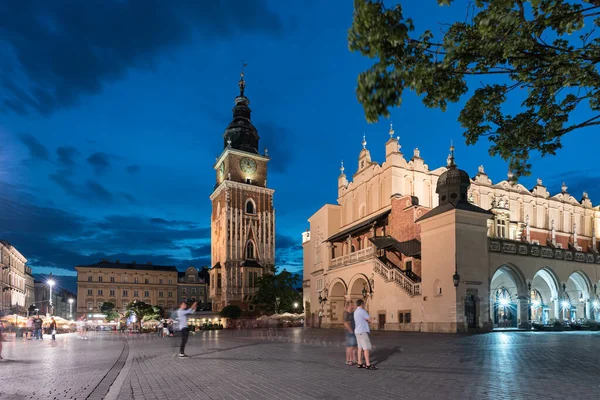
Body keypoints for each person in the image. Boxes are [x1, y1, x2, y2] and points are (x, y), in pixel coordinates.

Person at [354, 299, 377, 370]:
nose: (364, 305)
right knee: (366, 348)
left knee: (360, 348)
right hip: (363, 331)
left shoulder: (356, 311)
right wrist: (373, 320)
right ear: (362, 304)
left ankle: (360, 363)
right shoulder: (362, 311)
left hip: (357, 331)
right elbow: (369, 319)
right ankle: (368, 364)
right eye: (364, 304)